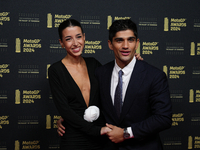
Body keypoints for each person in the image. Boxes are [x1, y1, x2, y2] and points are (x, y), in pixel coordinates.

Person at [57, 19, 172, 150]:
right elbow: (91, 103)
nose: (126, 46)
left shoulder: (154, 76)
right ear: (110, 44)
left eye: (131, 40)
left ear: (137, 43)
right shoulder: (100, 73)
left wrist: (125, 133)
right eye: (119, 40)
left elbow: (163, 118)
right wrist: (67, 120)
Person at [48, 19, 143, 150]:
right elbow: (65, 110)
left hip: (100, 138)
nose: (76, 43)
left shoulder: (94, 64)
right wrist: (95, 130)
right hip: (74, 138)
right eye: (69, 39)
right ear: (61, 43)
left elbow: (114, 84)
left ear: (84, 37)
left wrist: (132, 61)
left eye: (79, 37)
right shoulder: (55, 70)